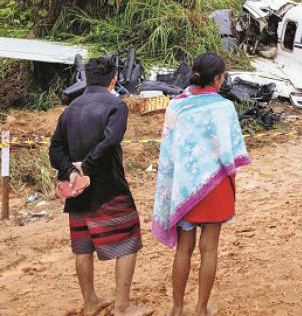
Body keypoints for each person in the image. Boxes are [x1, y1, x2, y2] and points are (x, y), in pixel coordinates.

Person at [152, 53, 250, 316]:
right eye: (224, 75)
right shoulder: (224, 107)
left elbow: (169, 151)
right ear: (217, 78)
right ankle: (201, 309)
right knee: (210, 249)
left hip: (185, 187)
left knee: (184, 248)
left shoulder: (176, 106)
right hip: (215, 185)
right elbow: (231, 149)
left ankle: (176, 309)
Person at [49, 56, 146, 316]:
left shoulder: (69, 109)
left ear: (87, 80)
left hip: (76, 189)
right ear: (113, 80)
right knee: (129, 239)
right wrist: (87, 169)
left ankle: (90, 301)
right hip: (109, 186)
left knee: (83, 244)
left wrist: (71, 170)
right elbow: (110, 140)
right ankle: (123, 306)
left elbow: (55, 149)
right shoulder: (116, 105)